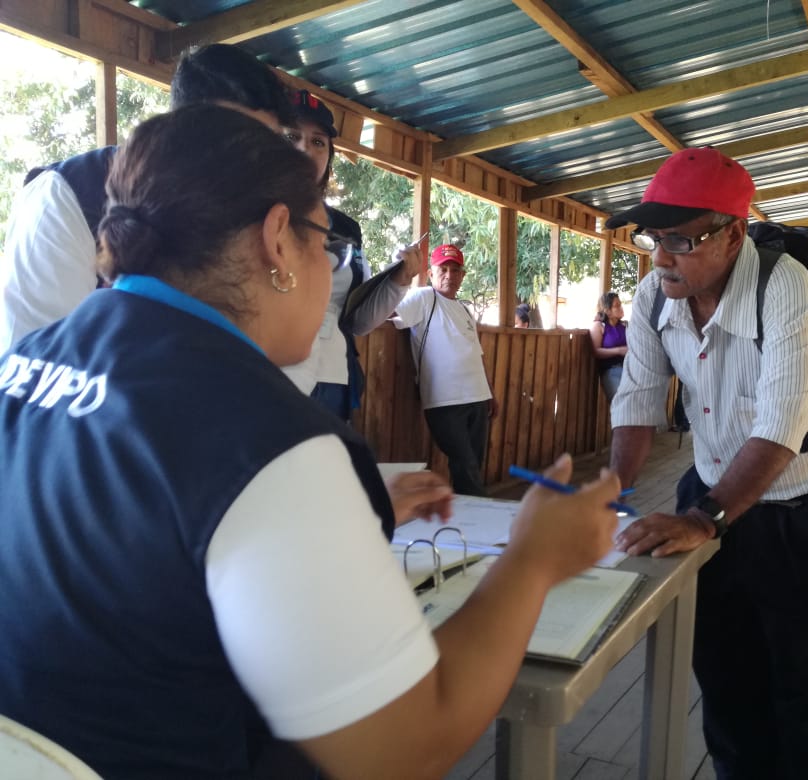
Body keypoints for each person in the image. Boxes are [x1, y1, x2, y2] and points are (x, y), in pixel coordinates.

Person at [0, 104, 623, 780]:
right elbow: (404, 748)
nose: (331, 270)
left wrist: (345, 503)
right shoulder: (263, 439)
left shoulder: (28, 360)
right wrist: (532, 559)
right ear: (277, 240)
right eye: (327, 244)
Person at [605, 147, 808, 778]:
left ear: (733, 234)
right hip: (714, 491)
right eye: (653, 238)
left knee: (802, 696)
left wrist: (704, 519)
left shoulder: (785, 288)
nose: (660, 257)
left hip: (807, 508)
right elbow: (637, 401)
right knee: (724, 684)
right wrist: (609, 491)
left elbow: (779, 430)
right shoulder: (653, 297)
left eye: (681, 240)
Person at [0, 43, 297, 352]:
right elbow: (38, 356)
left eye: (267, 148)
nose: (253, 163)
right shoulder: (66, 194)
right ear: (183, 126)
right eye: (238, 142)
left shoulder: (242, 211)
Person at [280, 89, 422, 420]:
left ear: (329, 157)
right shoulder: (244, 216)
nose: (305, 149)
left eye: (318, 142)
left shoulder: (346, 228)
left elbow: (358, 322)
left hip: (334, 380)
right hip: (269, 377)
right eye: (291, 137)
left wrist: (400, 280)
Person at [392, 244, 498, 496]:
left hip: (478, 397)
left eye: (455, 270)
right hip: (445, 400)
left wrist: (490, 392)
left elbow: (477, 353)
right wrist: (398, 274)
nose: (450, 275)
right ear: (431, 273)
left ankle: (466, 511)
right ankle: (478, 512)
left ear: (463, 275)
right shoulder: (423, 298)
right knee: (465, 464)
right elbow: (388, 310)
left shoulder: (464, 310)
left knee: (473, 464)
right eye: (443, 269)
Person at [589, 291, 628, 402]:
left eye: (620, 304)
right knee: (620, 403)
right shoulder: (599, 326)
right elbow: (596, 351)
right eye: (617, 305)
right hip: (610, 371)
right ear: (608, 311)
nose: (621, 308)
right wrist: (619, 351)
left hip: (629, 370)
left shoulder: (624, 325)